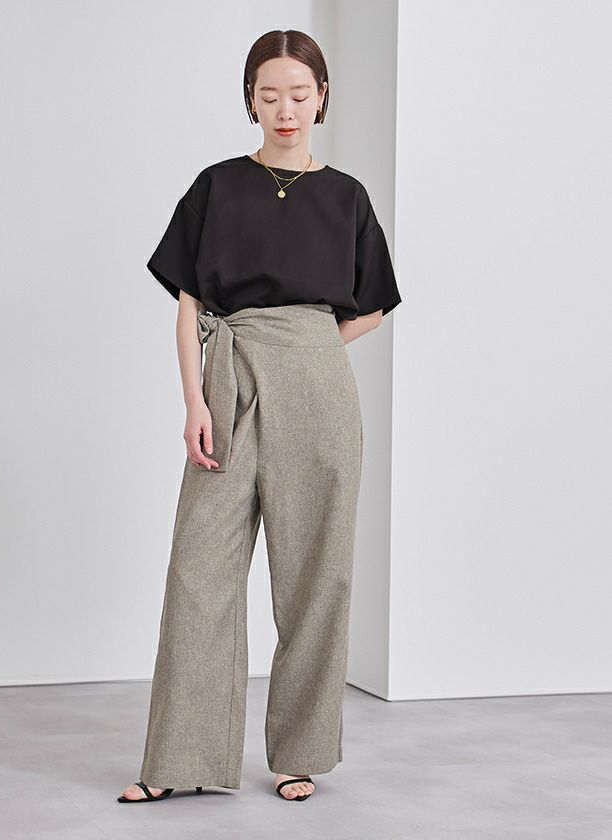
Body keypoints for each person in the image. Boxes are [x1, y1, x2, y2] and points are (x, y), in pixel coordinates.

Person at [118, 28, 402, 805]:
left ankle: (297, 756)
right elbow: (187, 305)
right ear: (250, 98)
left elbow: (373, 305)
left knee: (316, 573)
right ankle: (180, 760)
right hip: (227, 372)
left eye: (299, 94)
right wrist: (194, 399)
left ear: (322, 98)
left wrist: (306, 347)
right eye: (270, 94)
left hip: (317, 384)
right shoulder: (216, 186)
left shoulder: (346, 196)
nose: (285, 109)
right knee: (199, 570)